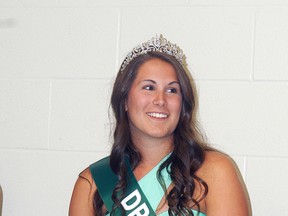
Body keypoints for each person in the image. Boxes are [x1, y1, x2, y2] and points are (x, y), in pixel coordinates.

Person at [69, 35, 251, 216]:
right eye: (149, 87)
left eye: (172, 90)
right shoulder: (94, 182)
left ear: (183, 104)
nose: (161, 100)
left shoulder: (215, 171)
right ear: (124, 99)